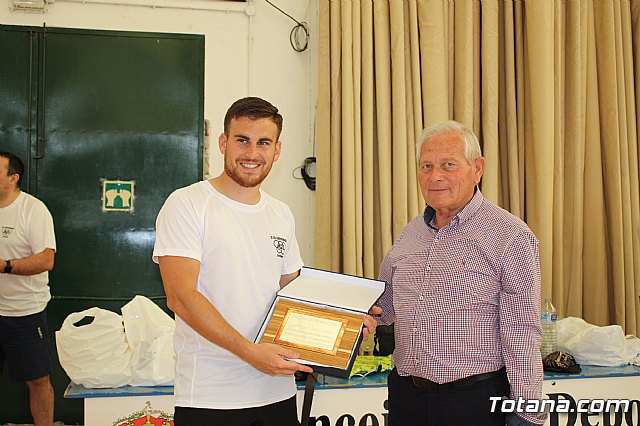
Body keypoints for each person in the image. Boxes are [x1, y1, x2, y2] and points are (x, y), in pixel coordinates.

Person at [154, 97, 376, 425]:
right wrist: (251, 354)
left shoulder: (280, 213)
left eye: (263, 143)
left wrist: (348, 323)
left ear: (277, 149)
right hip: (211, 398)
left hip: (277, 392)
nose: (252, 153)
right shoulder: (188, 204)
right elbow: (182, 297)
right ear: (223, 142)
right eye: (242, 140)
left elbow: (295, 294)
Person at [376, 121, 545, 426]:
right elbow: (382, 305)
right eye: (426, 166)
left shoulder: (509, 236)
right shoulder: (411, 233)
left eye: (448, 165)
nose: (435, 176)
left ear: (477, 169)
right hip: (407, 398)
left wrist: (526, 414)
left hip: (475, 402)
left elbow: (522, 333)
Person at [0, 151, 56, 426]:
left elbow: (47, 259)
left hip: (24, 313)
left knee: (37, 380)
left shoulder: (32, 209)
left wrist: (4, 266)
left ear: (13, 178)